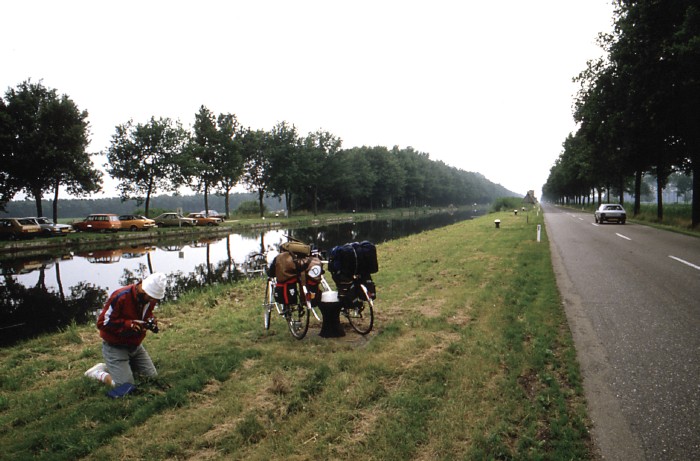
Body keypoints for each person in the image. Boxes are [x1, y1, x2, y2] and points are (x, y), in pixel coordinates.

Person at [84, 272, 167, 389]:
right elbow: (102, 323)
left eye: (154, 299)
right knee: (126, 387)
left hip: (135, 346)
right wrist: (128, 325)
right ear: (143, 290)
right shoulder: (120, 296)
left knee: (152, 378)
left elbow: (147, 314)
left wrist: (151, 321)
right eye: (150, 297)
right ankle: (97, 373)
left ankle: (119, 367)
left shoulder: (149, 300)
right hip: (115, 346)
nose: (152, 301)